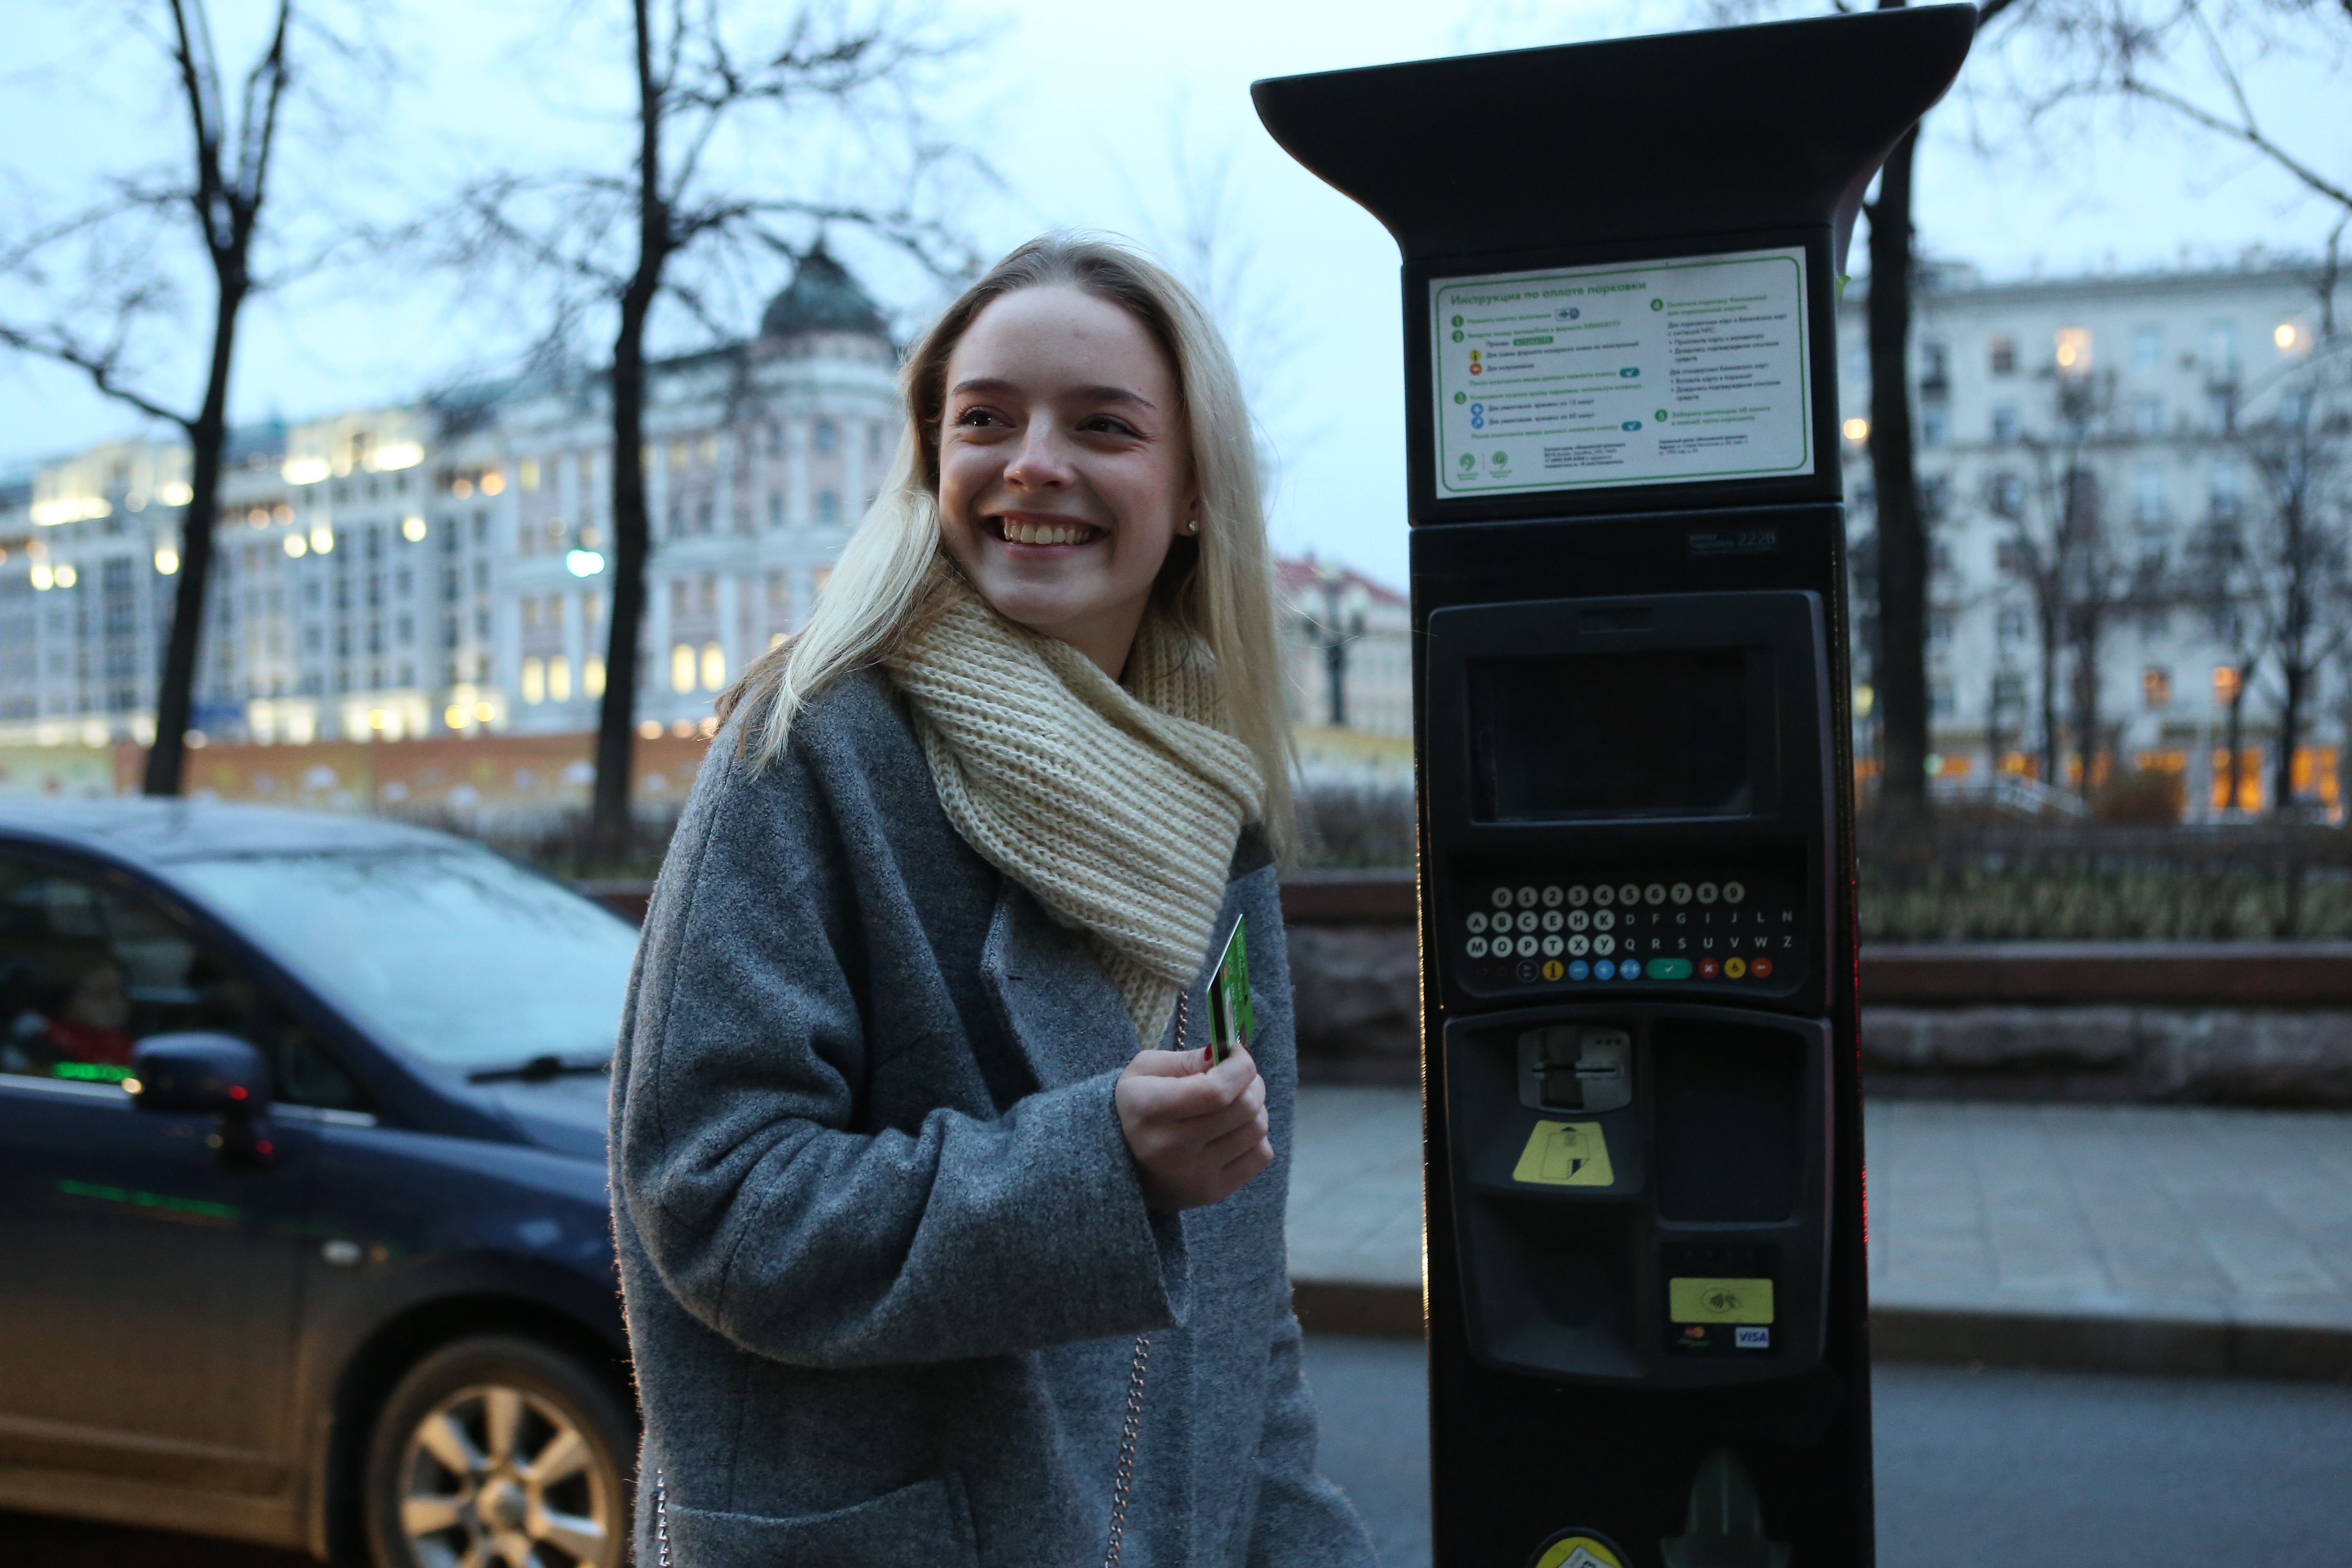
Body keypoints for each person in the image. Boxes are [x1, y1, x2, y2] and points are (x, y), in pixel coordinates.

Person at [608, 234, 1378, 1567]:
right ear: (932, 458)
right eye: (985, 420)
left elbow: (1244, 1307)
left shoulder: (1207, 802)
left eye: (1102, 426)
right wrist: (1099, 1165)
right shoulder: (811, 749)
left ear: (1192, 492)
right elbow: (714, 1202)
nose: (1032, 463)